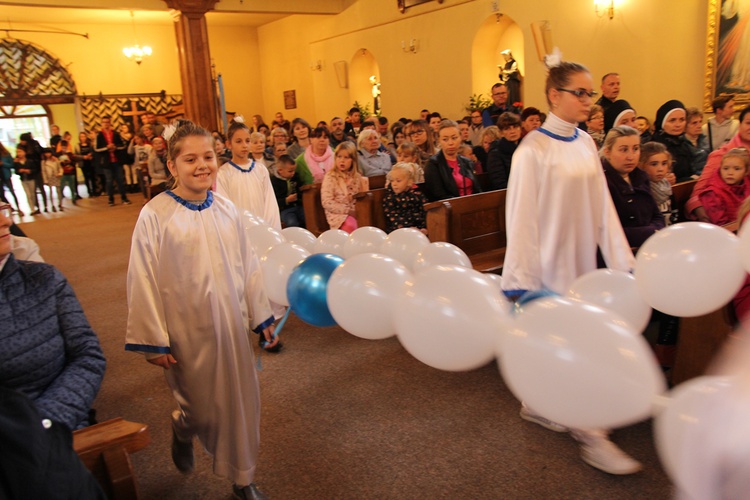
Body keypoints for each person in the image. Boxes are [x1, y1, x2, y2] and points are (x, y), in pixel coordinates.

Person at [501, 60, 641, 476]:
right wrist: (522, 281)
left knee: (573, 336)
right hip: (545, 262)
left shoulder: (584, 143)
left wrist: (621, 261)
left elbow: (602, 208)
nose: (588, 101)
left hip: (581, 259)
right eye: (579, 93)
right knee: (565, 339)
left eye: (590, 93)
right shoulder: (532, 150)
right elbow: (520, 218)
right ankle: (592, 434)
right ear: (553, 96)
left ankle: (539, 402)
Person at [125, 121, 276, 500]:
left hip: (230, 326)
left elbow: (249, 265)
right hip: (185, 330)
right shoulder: (155, 215)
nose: (202, 165)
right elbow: (141, 276)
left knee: (243, 402)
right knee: (201, 407)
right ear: (173, 166)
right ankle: (184, 424)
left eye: (208, 156)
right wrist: (153, 338)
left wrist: (261, 315)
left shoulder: (227, 209)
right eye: (189, 159)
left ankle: (243, 479)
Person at [601, 126, 665, 249]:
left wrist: (657, 230)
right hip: (618, 251)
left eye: (635, 149)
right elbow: (607, 229)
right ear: (608, 152)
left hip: (648, 246)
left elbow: (656, 215)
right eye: (623, 150)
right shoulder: (602, 181)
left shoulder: (641, 177)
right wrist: (649, 233)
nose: (631, 156)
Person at [686, 105, 750, 221]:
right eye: (748, 123)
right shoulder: (723, 155)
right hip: (727, 220)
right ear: (740, 125)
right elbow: (698, 195)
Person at [216, 120, 281, 231]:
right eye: (239, 141)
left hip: (263, 228)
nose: (244, 145)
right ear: (229, 144)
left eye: (247, 141)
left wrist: (270, 229)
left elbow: (270, 203)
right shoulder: (223, 173)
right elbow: (225, 207)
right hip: (239, 229)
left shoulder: (260, 169)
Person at [424, 119, 482, 202]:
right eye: (445, 139)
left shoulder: (467, 162)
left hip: (473, 206)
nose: (450, 143)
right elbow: (438, 196)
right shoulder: (433, 164)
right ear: (439, 140)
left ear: (460, 138)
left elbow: (477, 190)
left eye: (454, 138)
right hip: (450, 210)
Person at [321, 141, 369, 233]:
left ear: (353, 160)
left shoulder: (357, 177)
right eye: (339, 157)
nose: (342, 160)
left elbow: (362, 199)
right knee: (352, 226)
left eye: (346, 157)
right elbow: (327, 202)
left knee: (367, 225)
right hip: (338, 215)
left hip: (357, 213)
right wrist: (348, 211)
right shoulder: (330, 176)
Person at [699, 147, 750, 226]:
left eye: (737, 169)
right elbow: (721, 224)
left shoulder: (747, 184)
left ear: (746, 171)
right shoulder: (712, 193)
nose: (730, 173)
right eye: (725, 168)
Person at [651, 100, 694, 183]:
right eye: (672, 120)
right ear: (662, 123)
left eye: (682, 120)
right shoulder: (655, 146)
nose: (678, 125)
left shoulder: (683, 143)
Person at [95, 116, 131, 207]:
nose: (106, 124)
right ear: (102, 124)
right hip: (107, 162)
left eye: (107, 122)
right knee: (109, 181)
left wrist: (115, 147)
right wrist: (106, 148)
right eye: (104, 122)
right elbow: (96, 149)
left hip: (116, 161)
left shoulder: (115, 134)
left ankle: (124, 198)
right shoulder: (99, 135)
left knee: (120, 180)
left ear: (110, 123)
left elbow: (122, 146)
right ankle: (111, 199)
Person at [383, 162, 427, 234]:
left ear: (409, 182)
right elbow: (393, 218)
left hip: (418, 229)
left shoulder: (417, 195)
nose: (394, 184)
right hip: (399, 231)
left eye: (398, 181)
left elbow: (423, 212)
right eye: (392, 181)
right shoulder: (390, 197)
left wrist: (423, 227)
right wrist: (409, 228)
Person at [638, 142, 675, 226]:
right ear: (641, 165)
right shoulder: (642, 190)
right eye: (654, 164)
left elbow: (674, 213)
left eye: (664, 163)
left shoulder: (667, 186)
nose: (660, 169)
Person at [486, 112, 522, 190]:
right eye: (507, 129)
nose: (512, 131)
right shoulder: (495, 153)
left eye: (515, 127)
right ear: (501, 133)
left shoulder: (525, 147)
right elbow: (499, 183)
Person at [271, 154, 305, 228]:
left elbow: (300, 190)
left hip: (298, 205)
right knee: (292, 223)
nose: (293, 173)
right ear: (280, 170)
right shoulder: (274, 181)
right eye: (290, 171)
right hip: (285, 209)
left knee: (308, 218)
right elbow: (273, 200)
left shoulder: (295, 177)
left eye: (294, 170)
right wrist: (286, 200)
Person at [684, 107, 711, 175]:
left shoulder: (705, 139)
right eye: (694, 123)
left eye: (700, 122)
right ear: (685, 126)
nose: (699, 126)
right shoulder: (682, 143)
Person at [14, 147, 40, 215]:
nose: (19, 154)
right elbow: (16, 171)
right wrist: (19, 171)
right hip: (23, 180)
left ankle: (35, 206)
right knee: (28, 194)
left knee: (32, 194)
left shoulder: (30, 161)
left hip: (31, 179)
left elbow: (35, 169)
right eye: (18, 152)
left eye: (20, 151)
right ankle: (32, 209)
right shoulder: (16, 162)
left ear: (24, 152)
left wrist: (29, 171)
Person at [0, 142, 22, 215]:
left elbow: (12, 165)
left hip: (6, 175)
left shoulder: (6, 154)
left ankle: (19, 208)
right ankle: (9, 207)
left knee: (12, 192)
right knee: (2, 194)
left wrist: (3, 164)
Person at [41, 148, 62, 212]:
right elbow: (43, 171)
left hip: (56, 176)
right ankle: (53, 205)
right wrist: (45, 179)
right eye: (46, 153)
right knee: (50, 192)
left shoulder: (55, 160)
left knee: (58, 191)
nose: (47, 154)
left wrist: (60, 173)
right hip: (49, 177)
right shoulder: (43, 162)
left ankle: (60, 204)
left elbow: (60, 167)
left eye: (48, 153)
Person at [58, 140, 78, 206]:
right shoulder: (58, 155)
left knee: (72, 187)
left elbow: (74, 162)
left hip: (70, 173)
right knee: (61, 188)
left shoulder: (70, 154)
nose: (64, 149)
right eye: (62, 147)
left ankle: (73, 198)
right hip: (62, 174)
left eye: (65, 147)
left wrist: (70, 162)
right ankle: (60, 201)